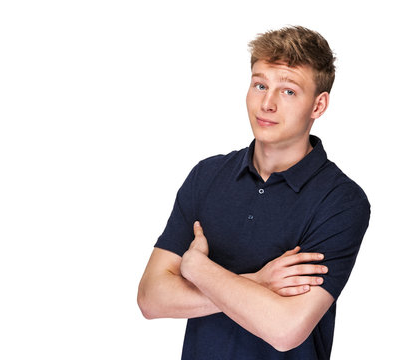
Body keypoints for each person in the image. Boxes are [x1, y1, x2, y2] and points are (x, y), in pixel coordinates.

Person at [137, 26, 370, 359]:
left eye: (288, 91)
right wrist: (259, 281)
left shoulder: (341, 200)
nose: (267, 103)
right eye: (260, 85)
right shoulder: (208, 176)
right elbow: (150, 298)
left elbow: (286, 329)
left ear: (318, 105)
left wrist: (197, 269)